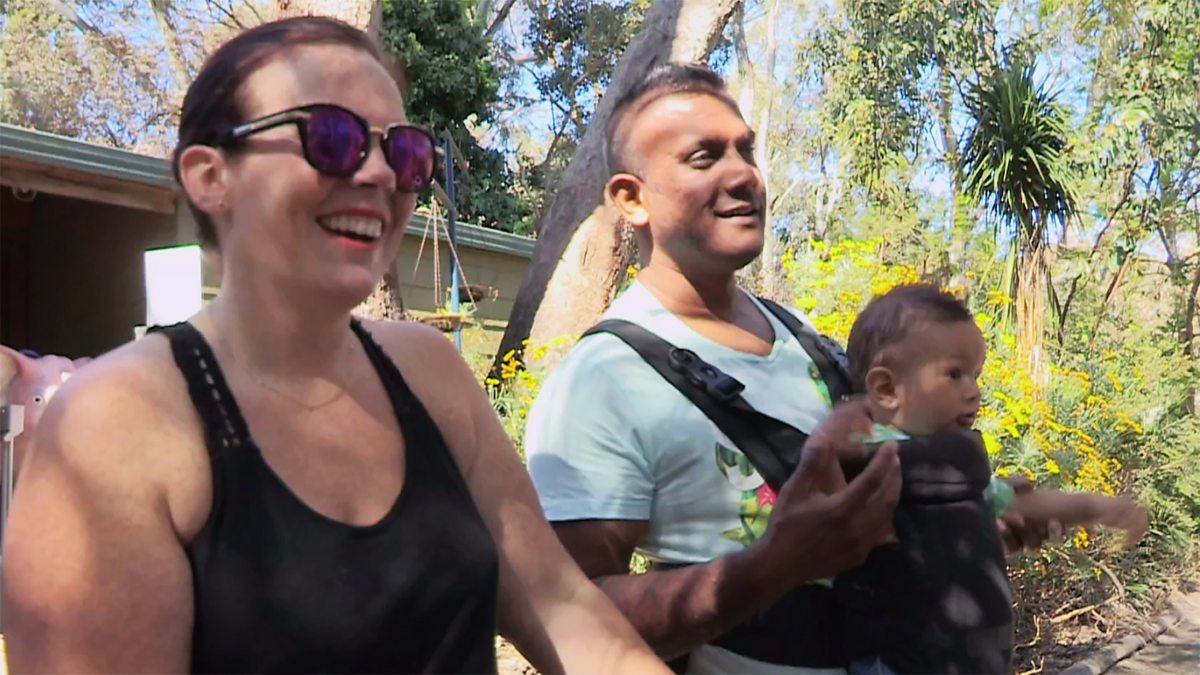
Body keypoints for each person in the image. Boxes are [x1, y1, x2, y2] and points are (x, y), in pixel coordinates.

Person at [1, 16, 669, 674]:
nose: (380, 173)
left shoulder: (427, 372)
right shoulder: (116, 422)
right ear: (210, 176)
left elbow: (560, 607)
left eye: (405, 152)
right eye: (331, 137)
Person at [523, 63, 1058, 675]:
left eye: (745, 150)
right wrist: (774, 565)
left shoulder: (800, 335)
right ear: (631, 199)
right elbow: (573, 619)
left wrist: (963, 519)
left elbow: (870, 511)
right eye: (704, 157)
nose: (743, 175)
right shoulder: (602, 381)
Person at [836, 283, 1149, 674]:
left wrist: (1093, 506)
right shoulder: (863, 461)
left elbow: (1019, 505)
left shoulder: (946, 466)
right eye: (954, 374)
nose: (974, 392)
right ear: (887, 389)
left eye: (976, 375)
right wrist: (1094, 507)